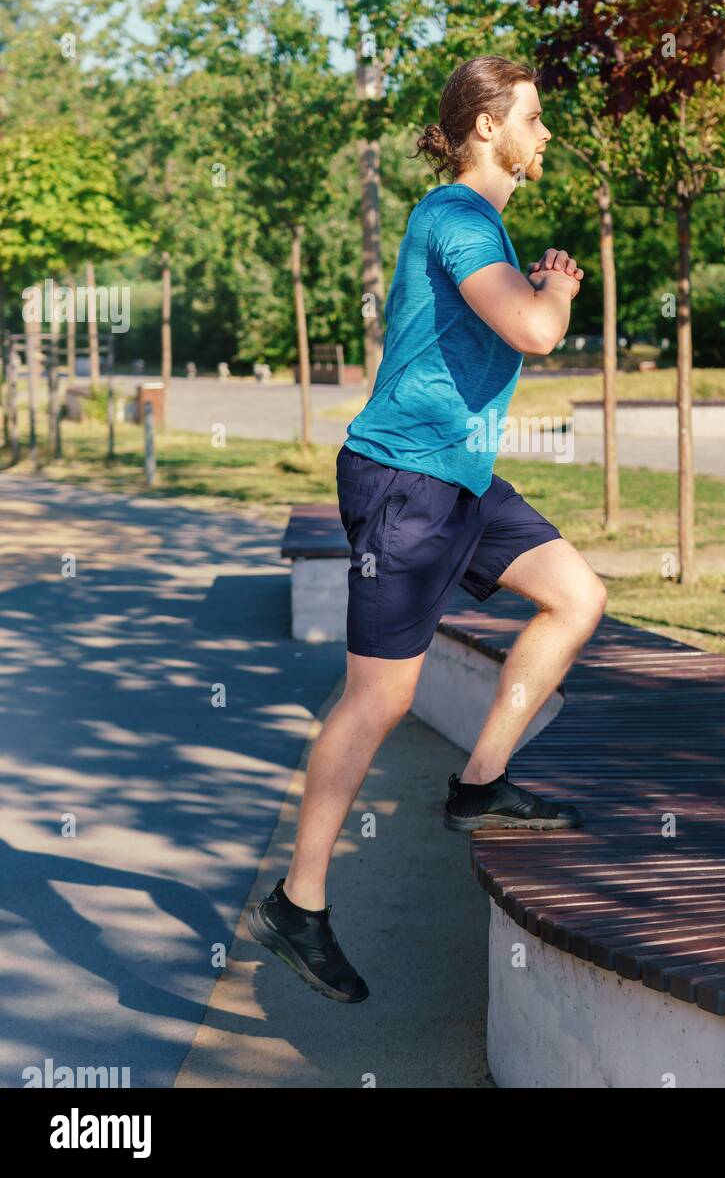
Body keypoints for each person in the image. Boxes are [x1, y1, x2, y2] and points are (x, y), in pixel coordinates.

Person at [248, 55, 608, 1003]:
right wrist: (559, 295)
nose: (542, 134)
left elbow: (500, 323)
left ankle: (480, 782)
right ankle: (299, 901)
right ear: (485, 126)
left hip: (459, 478)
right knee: (380, 700)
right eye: (531, 117)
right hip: (404, 481)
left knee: (576, 596)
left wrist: (537, 289)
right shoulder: (452, 214)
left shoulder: (479, 227)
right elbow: (531, 331)